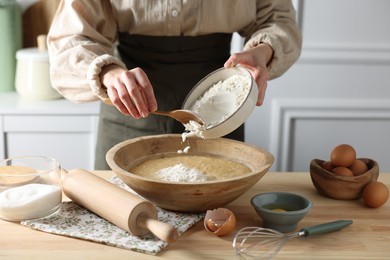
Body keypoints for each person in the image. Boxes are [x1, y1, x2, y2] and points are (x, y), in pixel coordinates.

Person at [47, 0, 302, 170]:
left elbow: (279, 19)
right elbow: (70, 38)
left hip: (219, 114)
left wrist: (264, 50)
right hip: (126, 115)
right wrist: (109, 73)